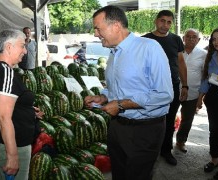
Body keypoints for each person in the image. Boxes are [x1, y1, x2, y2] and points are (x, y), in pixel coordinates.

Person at [84, 6, 174, 180]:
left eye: (98, 28)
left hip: (145, 130)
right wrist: (103, 97)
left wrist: (121, 104)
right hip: (118, 126)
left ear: (116, 26)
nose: (95, 34)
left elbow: (164, 94)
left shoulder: (149, 48)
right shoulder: (114, 53)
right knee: (119, 174)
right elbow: (116, 89)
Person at [0, 29, 44, 180]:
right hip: (11, 144)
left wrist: (27, 110)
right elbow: (4, 117)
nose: (25, 51)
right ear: (9, 47)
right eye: (22, 46)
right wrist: (12, 155)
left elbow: (1, 101)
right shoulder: (6, 73)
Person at [142, 10, 188, 166]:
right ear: (156, 21)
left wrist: (185, 85)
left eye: (169, 22)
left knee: (169, 121)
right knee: (150, 121)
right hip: (150, 89)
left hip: (172, 87)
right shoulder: (144, 40)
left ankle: (166, 151)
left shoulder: (176, 40)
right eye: (162, 21)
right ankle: (149, 152)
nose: (165, 25)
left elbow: (181, 63)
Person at [175, 29, 207, 153]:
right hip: (174, 91)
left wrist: (201, 96)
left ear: (199, 40)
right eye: (188, 36)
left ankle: (180, 141)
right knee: (169, 116)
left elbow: (205, 76)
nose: (191, 39)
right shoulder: (177, 51)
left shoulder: (203, 54)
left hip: (193, 93)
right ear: (183, 38)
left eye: (194, 37)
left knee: (187, 119)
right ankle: (165, 142)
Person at [197, 27, 218, 179]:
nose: (217, 42)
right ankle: (214, 160)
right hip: (213, 97)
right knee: (214, 130)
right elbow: (206, 79)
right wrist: (200, 98)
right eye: (214, 39)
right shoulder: (211, 55)